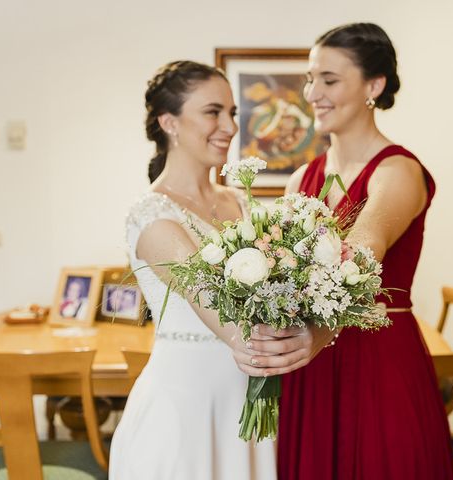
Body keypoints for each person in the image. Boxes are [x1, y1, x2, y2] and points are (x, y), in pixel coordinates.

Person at [232, 23, 453, 479]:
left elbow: (364, 250)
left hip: (378, 363)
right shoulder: (303, 177)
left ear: (374, 86)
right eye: (311, 79)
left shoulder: (397, 171)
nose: (313, 92)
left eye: (329, 80)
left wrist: (318, 334)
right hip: (310, 371)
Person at [109, 61, 276, 480]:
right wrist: (283, 346)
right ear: (170, 122)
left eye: (232, 113)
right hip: (183, 406)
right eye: (213, 111)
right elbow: (211, 301)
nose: (230, 126)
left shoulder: (240, 202)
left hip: (246, 400)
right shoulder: (151, 214)